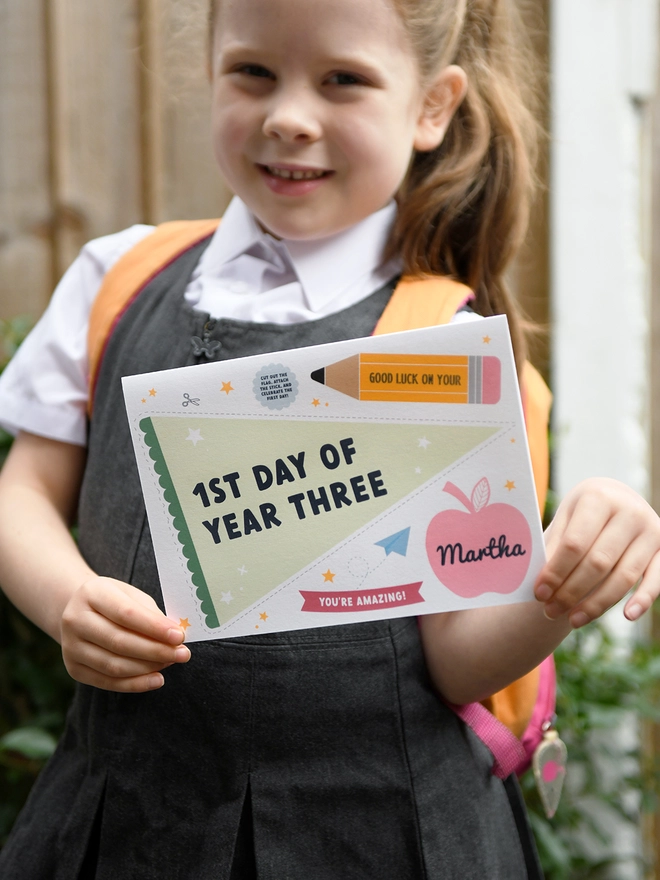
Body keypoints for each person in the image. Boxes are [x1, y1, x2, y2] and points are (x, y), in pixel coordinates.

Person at [0, 0, 659, 876]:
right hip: (128, 822)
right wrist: (65, 599)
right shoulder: (115, 280)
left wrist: (563, 584)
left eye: (343, 80)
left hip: (380, 837)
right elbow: (24, 493)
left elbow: (459, 664)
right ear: (211, 73)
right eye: (253, 73)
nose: (288, 116)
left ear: (432, 106)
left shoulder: (451, 351)